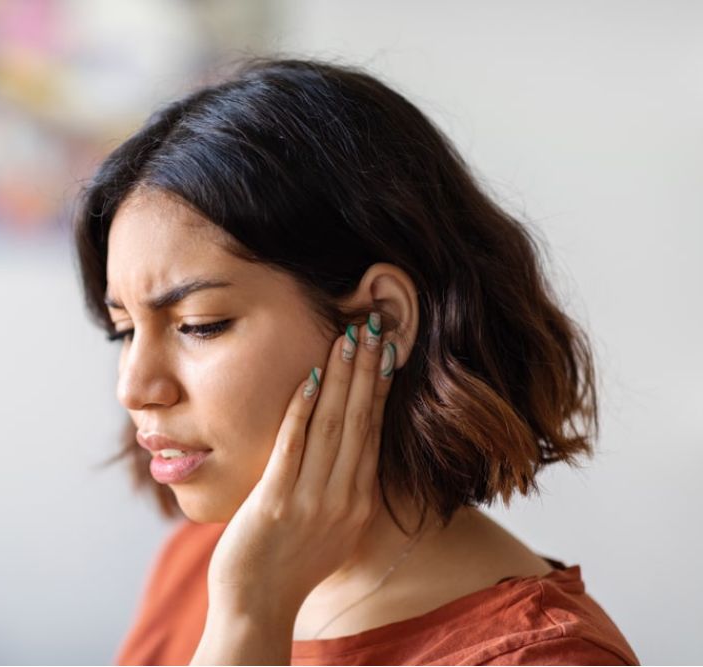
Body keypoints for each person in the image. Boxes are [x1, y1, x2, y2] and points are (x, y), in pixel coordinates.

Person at [72, 57, 639, 665]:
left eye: (198, 326)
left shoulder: (541, 658)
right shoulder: (207, 564)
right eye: (125, 331)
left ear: (382, 322)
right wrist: (248, 604)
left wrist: (249, 620)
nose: (134, 388)